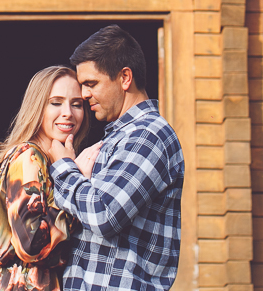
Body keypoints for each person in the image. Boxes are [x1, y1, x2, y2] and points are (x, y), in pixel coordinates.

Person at [49, 25, 184, 291]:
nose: (84, 94)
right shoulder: (121, 137)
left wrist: (64, 168)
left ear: (124, 78)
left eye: (91, 84)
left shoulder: (149, 135)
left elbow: (104, 214)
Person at [0, 65, 98, 291]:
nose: (68, 112)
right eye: (56, 102)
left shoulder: (46, 161)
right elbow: (31, 245)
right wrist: (76, 182)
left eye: (76, 104)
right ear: (38, 107)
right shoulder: (30, 156)